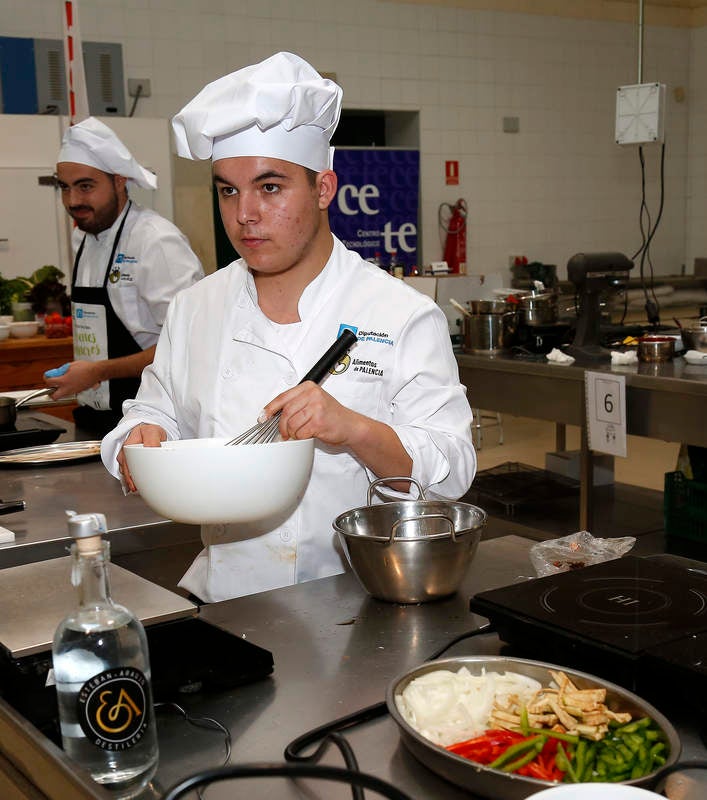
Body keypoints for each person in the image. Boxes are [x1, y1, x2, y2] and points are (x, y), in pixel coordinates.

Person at [101, 52, 476, 602]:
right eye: (228, 189)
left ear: (324, 189)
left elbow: (453, 470)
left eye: (270, 187)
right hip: (224, 597)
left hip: (358, 600)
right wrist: (138, 440)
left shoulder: (399, 313)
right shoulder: (195, 308)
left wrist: (354, 429)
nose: (244, 213)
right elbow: (151, 410)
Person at [46, 117, 204, 436]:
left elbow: (193, 343)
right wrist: (86, 376)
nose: (73, 201)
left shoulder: (156, 242)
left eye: (86, 186)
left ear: (119, 181)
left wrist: (98, 371)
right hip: (96, 414)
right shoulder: (83, 239)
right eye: (65, 187)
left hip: (152, 422)